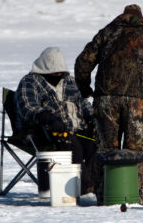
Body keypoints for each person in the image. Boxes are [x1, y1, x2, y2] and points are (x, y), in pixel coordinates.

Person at [74, 5, 143, 205]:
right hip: (139, 101)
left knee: (105, 149)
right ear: (141, 18)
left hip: (106, 100)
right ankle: (133, 193)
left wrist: (85, 88)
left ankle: (106, 195)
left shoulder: (107, 33)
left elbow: (83, 62)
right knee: (137, 150)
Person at [14, 46, 99, 195]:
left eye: (60, 70)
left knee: (97, 145)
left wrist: (93, 120)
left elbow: (85, 105)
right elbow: (27, 107)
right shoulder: (29, 82)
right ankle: (83, 190)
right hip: (46, 134)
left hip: (79, 131)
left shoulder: (71, 82)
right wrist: (48, 118)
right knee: (72, 145)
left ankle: (96, 187)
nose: (58, 74)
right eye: (54, 71)